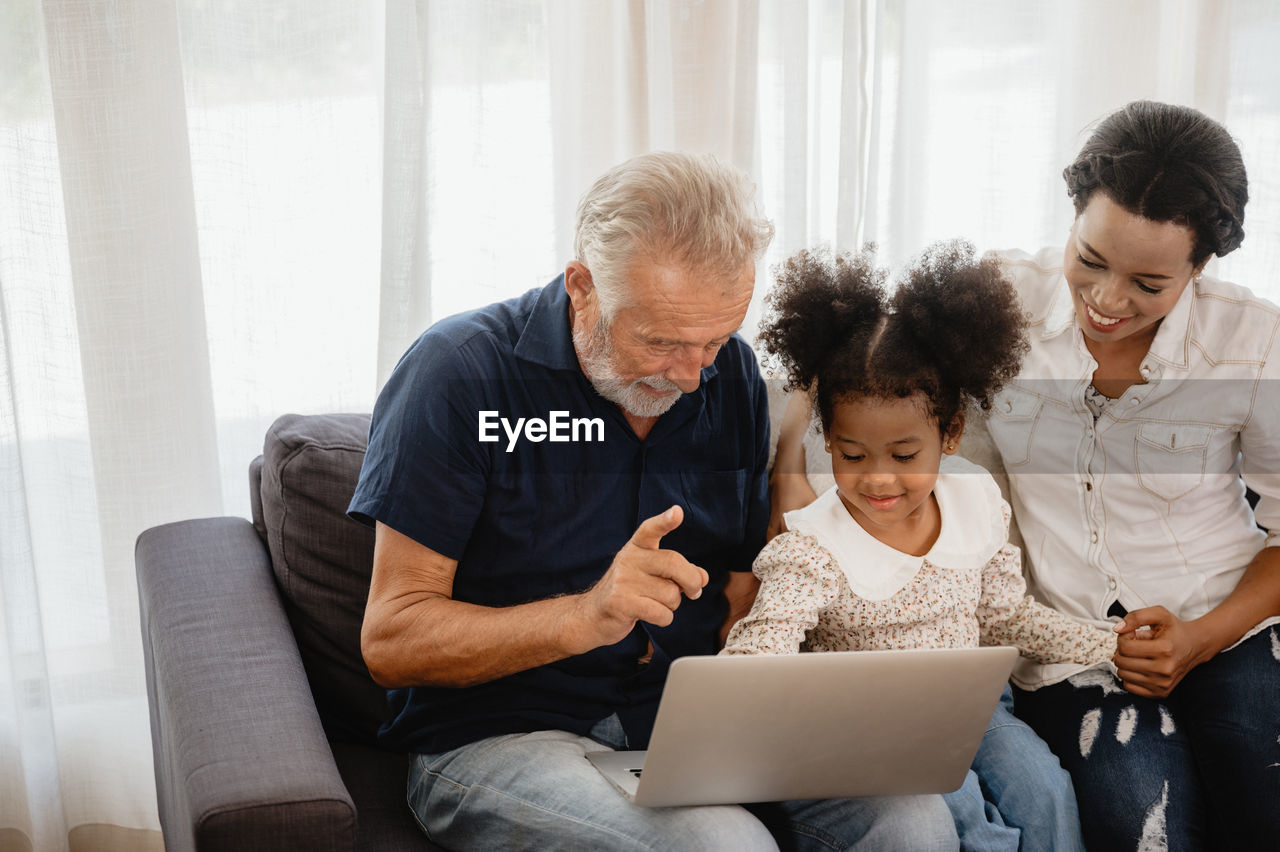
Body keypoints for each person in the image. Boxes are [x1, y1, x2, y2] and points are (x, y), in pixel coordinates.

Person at [349, 151, 957, 851]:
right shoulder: (460, 375)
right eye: (662, 341)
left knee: (912, 819)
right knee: (722, 844)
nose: (693, 377)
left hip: (682, 718)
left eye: (716, 339)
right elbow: (391, 640)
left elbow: (739, 582)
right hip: (495, 733)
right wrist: (585, 616)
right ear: (582, 286)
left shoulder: (729, 376)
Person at [773, 102, 1280, 850]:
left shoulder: (1252, 341)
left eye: (1149, 282)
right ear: (1072, 214)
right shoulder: (996, 298)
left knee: (1261, 791)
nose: (1108, 301)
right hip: (1068, 651)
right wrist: (788, 465)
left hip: (1227, 625)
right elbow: (857, 354)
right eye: (1091, 259)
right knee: (1141, 827)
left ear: (1200, 266)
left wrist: (1201, 637)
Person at [725, 242, 1110, 852]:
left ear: (950, 434)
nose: (878, 478)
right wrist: (740, 684)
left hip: (975, 711)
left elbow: (1005, 617)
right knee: (962, 813)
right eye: (852, 456)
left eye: (905, 456)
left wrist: (1107, 643)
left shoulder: (976, 502)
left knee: (1045, 789)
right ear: (829, 437)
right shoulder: (812, 549)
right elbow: (763, 645)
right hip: (877, 732)